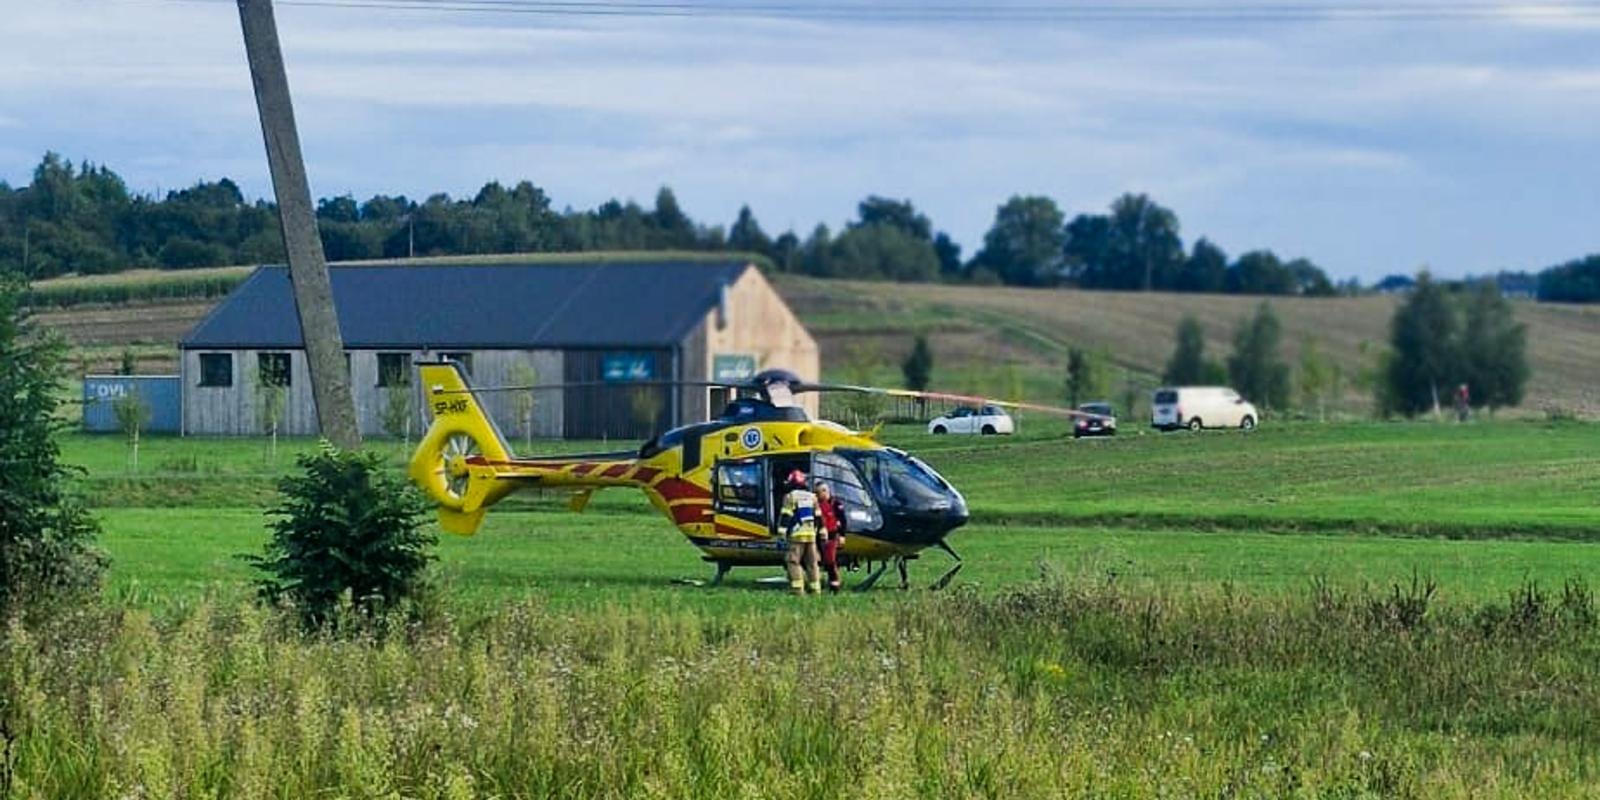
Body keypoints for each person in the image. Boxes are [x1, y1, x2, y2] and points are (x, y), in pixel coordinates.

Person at [778, 469, 821, 596]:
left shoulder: (790, 496)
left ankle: (797, 590)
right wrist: (817, 532)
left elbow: (786, 516)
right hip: (811, 535)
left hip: (797, 535)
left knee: (793, 561)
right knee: (812, 563)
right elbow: (818, 517)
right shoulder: (812, 497)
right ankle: (815, 590)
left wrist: (781, 534)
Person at [815, 483, 847, 594]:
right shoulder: (816, 504)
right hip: (818, 536)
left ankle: (835, 585)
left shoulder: (836, 504)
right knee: (818, 560)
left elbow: (843, 520)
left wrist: (842, 535)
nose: (817, 495)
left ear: (825, 491)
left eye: (818, 493)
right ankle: (819, 583)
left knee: (830, 560)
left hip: (832, 535)